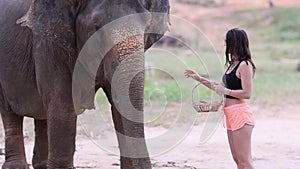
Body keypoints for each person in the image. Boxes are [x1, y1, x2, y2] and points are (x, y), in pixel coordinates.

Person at [185, 28, 256, 169]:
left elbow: (247, 93)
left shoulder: (245, 65)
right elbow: (219, 87)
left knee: (244, 161)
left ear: (234, 43)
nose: (225, 44)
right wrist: (199, 78)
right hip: (230, 114)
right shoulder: (232, 65)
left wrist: (226, 91)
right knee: (237, 159)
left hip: (240, 114)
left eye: (227, 41)